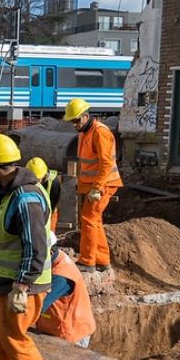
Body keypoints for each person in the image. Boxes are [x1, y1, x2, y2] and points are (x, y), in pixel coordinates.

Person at [0, 133, 61, 360]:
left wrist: (21, 286)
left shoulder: (26, 198)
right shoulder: (10, 192)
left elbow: (35, 247)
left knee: (14, 342)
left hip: (19, 286)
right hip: (2, 283)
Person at [63, 98, 123, 273]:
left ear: (86, 116)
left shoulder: (99, 132)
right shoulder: (84, 132)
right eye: (71, 121)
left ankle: (87, 261)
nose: (74, 124)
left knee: (89, 219)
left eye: (76, 120)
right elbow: (88, 163)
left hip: (104, 184)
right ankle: (102, 260)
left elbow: (105, 163)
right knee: (94, 220)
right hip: (94, 184)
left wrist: (97, 187)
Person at [34, 247, 96, 348]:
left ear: (50, 252)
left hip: (71, 334)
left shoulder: (61, 277)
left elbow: (38, 306)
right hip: (53, 327)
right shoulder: (55, 258)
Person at [25, 157, 62, 233]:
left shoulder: (54, 182)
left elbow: (54, 202)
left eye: (37, 179)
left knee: (48, 234)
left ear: (44, 175)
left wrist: (45, 216)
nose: (35, 181)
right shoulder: (25, 179)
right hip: (33, 209)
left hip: (50, 210)